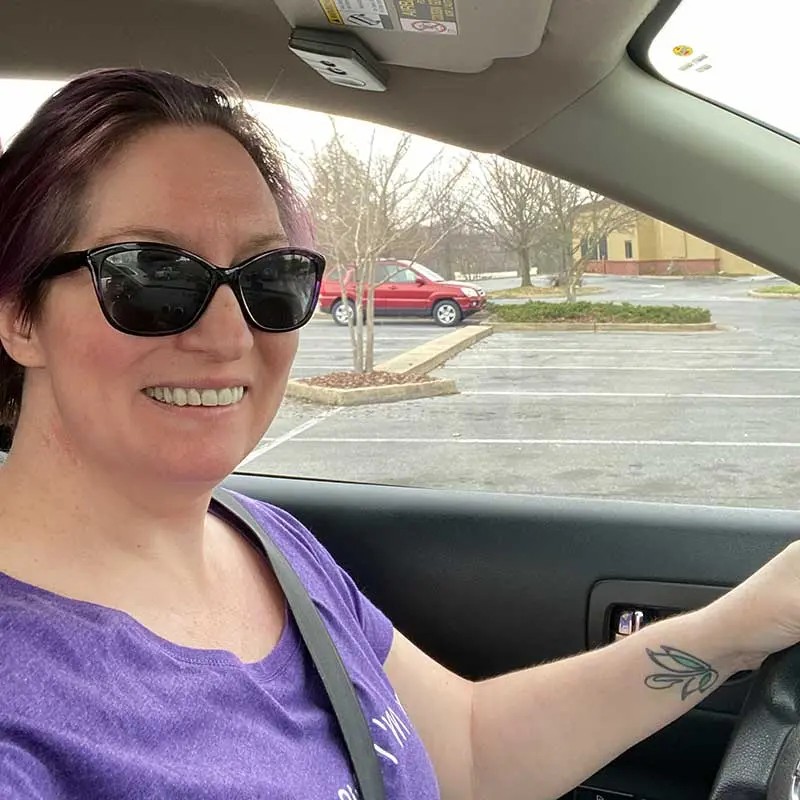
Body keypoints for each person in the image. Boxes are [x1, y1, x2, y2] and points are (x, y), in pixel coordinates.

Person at [0, 67, 798, 800]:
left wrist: (738, 629)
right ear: (19, 314)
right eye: (152, 277)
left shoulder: (259, 540)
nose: (226, 335)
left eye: (269, 280)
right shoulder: (24, 712)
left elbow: (471, 748)